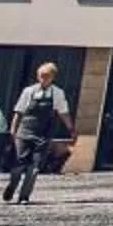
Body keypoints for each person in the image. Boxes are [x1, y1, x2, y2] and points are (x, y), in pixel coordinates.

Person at [7, 62, 72, 203]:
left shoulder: (57, 93)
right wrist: (13, 130)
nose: (43, 78)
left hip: (43, 134)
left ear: (52, 77)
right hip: (24, 131)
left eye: (46, 76)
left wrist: (71, 129)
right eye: (40, 75)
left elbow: (63, 113)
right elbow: (19, 112)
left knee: (34, 167)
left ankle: (24, 196)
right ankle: (12, 186)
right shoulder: (29, 91)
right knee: (19, 164)